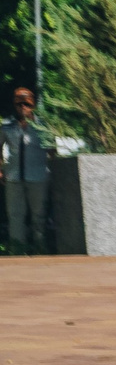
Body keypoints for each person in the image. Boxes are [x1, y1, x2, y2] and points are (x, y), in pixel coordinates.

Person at [3, 87, 49, 253]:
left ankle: (40, 245)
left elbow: (52, 151)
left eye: (26, 104)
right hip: (14, 177)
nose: (23, 107)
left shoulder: (42, 126)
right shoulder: (7, 127)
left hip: (37, 176)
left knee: (39, 214)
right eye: (19, 104)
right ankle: (17, 247)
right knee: (15, 214)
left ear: (33, 105)